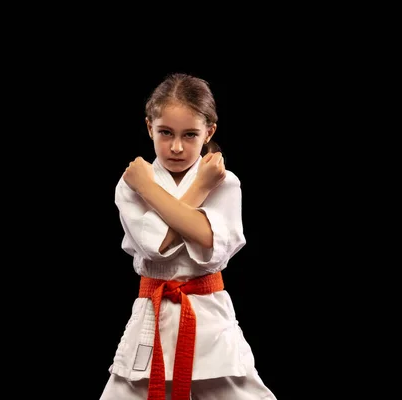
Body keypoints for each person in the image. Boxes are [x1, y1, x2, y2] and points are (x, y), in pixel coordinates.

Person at [100, 73, 277, 400]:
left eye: (190, 135)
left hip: (208, 313)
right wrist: (187, 189)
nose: (177, 147)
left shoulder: (224, 182)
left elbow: (209, 241)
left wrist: (155, 190)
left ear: (209, 132)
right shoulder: (131, 183)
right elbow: (156, 246)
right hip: (152, 314)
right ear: (150, 127)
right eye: (165, 133)